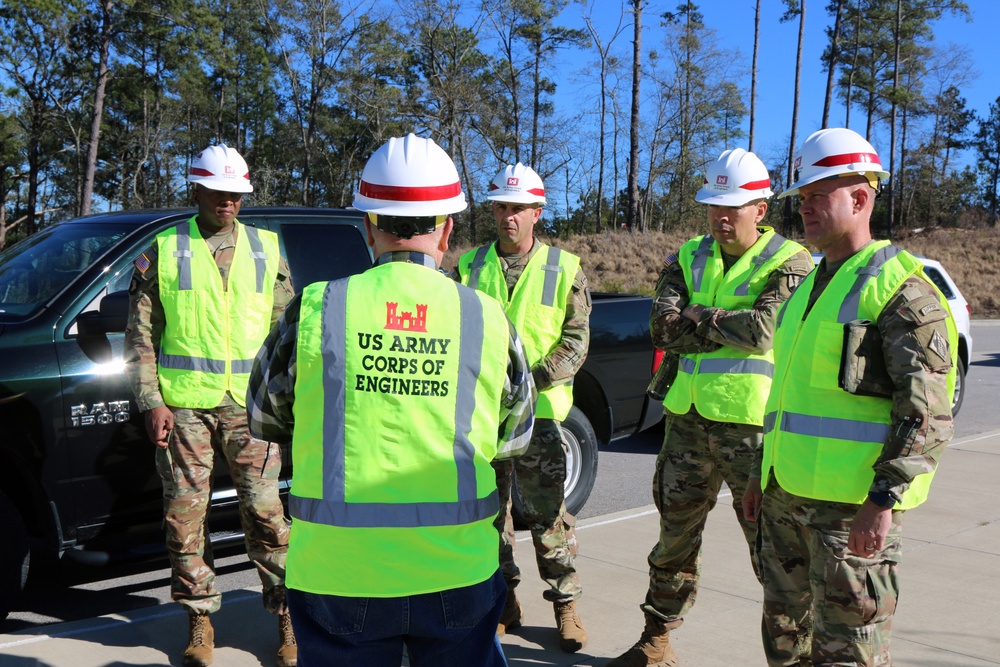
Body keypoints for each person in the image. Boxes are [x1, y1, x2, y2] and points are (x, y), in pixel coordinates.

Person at [247, 133, 536, 667]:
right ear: (448, 227)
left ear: (368, 227)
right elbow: (514, 435)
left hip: (338, 573)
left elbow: (264, 413)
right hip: (456, 572)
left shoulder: (316, 307)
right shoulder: (485, 316)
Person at [741, 127, 958, 666]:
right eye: (803, 198)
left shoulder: (901, 289)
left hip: (849, 516)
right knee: (786, 644)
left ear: (860, 199)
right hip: (784, 499)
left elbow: (927, 413)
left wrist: (882, 502)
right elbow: (786, 396)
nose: (805, 209)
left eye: (818, 196)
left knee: (848, 653)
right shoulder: (809, 284)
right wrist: (759, 474)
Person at [608, 148, 813, 667]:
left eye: (733, 207)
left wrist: (696, 314)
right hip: (687, 421)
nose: (721, 217)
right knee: (673, 537)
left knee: (773, 550)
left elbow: (764, 332)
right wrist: (724, 324)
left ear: (760, 209)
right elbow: (661, 328)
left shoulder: (791, 262)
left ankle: (795, 657)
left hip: (751, 430)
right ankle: (655, 640)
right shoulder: (689, 254)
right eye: (713, 206)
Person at [124, 144, 297, 667]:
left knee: (268, 515)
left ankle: (288, 617)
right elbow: (140, 335)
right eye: (218, 191)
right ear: (195, 189)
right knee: (185, 518)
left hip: (252, 408)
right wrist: (151, 400)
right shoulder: (165, 248)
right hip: (185, 410)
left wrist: (287, 403)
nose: (228, 200)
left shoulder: (267, 249)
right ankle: (199, 618)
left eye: (237, 193)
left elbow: (287, 335)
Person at [454, 163, 591, 653]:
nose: (508, 216)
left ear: (537, 212)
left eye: (518, 208)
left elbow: (575, 342)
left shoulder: (564, 268)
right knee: (493, 518)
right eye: (501, 207)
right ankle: (505, 603)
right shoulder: (468, 267)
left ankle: (566, 605)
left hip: (542, 418)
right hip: (484, 420)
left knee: (549, 517)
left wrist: (526, 381)